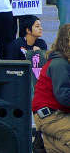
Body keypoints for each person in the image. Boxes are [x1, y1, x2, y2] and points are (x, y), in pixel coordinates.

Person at [32, 24, 70, 153]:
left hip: (56, 114)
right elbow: (64, 95)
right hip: (52, 116)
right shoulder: (60, 64)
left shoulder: (62, 62)